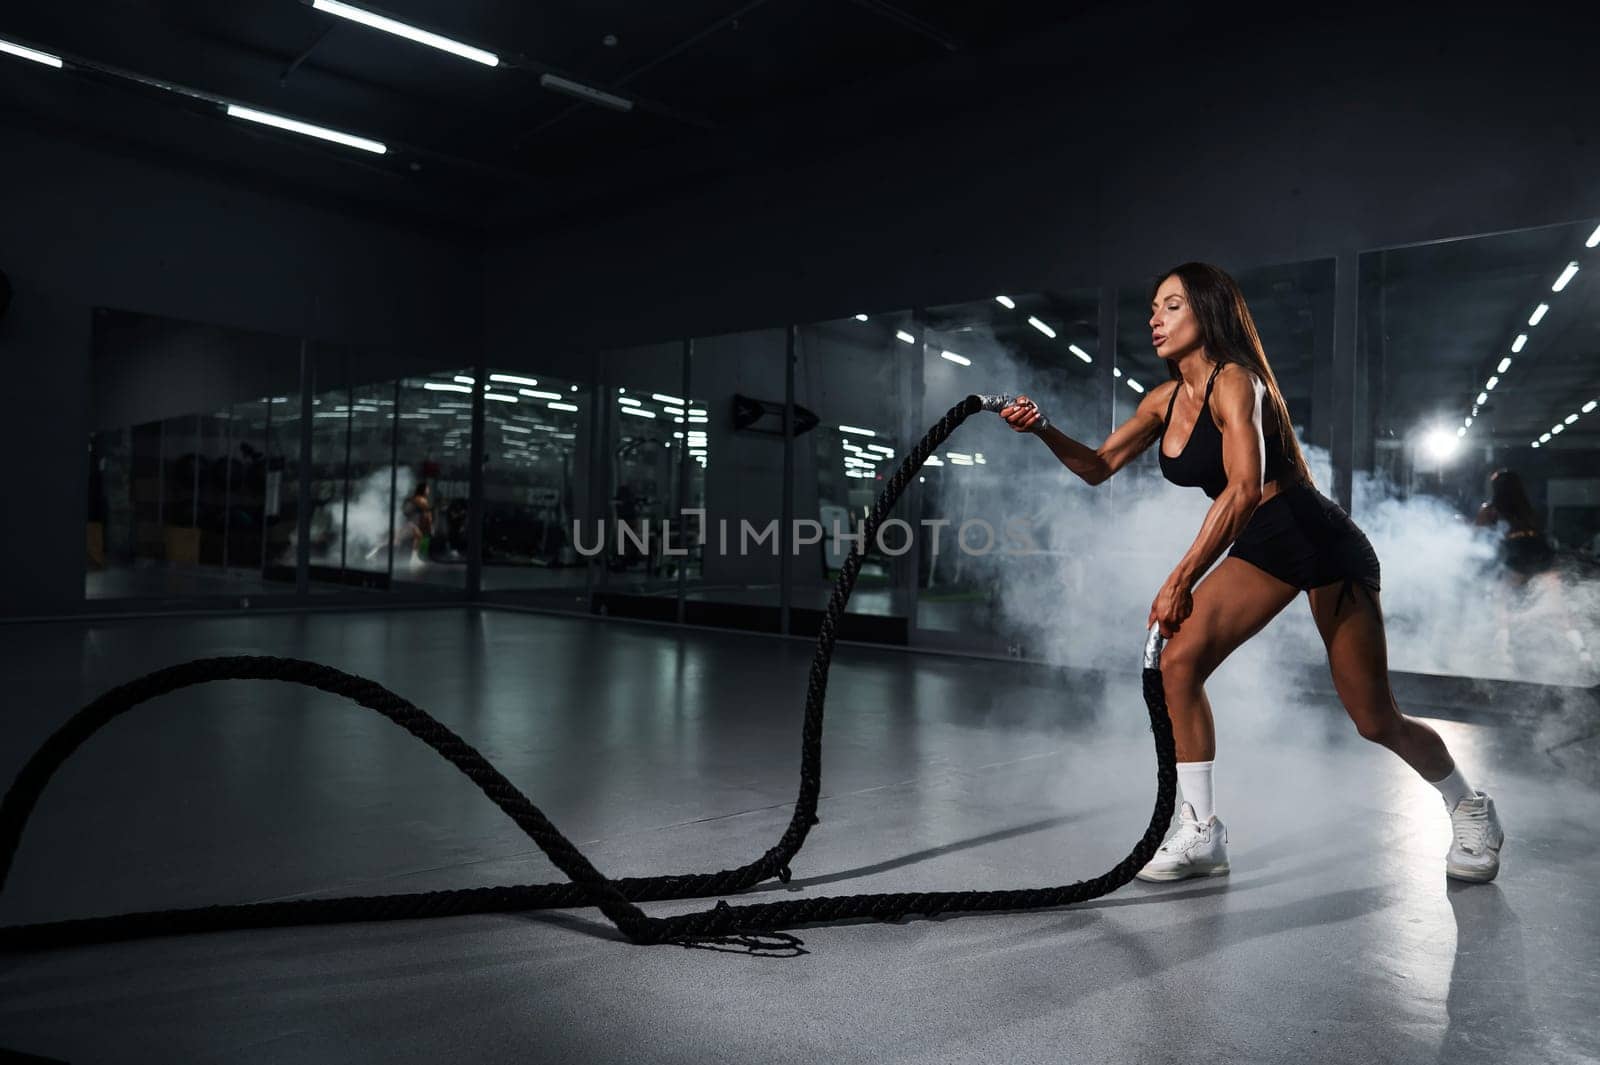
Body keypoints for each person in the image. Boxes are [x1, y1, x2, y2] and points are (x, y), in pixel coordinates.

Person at [999, 262, 1505, 883]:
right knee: (1177, 663)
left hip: (1318, 541)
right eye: (1153, 307)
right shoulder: (1161, 401)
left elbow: (1241, 491)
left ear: (1207, 312)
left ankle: (1469, 804)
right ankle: (1203, 832)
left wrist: (1180, 577)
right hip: (1262, 544)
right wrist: (1043, 428)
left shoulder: (1237, 382)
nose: (1155, 318)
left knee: (1374, 718)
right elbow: (1098, 465)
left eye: (1172, 305)